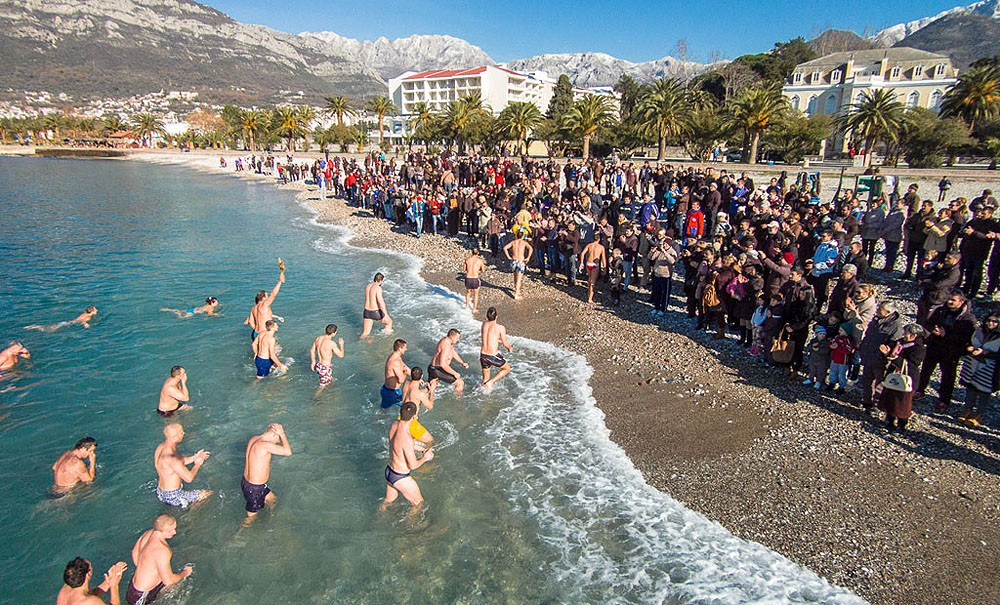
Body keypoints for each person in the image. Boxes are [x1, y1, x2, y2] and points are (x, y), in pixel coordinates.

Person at [915, 289, 978, 411]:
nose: (949, 302)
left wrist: (945, 334)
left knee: (948, 376)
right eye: (949, 299)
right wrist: (932, 331)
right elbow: (928, 323)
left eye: (953, 300)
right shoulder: (940, 310)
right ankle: (920, 390)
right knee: (926, 370)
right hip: (935, 345)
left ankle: (944, 399)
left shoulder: (968, 319)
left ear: (961, 302)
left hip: (951, 350)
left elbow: (967, 338)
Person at [126, 514, 193, 605]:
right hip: (141, 595)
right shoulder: (162, 550)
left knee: (174, 587)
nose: (174, 532)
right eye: (169, 531)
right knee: (179, 583)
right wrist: (185, 573)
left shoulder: (148, 533)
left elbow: (135, 552)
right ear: (159, 531)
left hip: (134, 587)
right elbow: (168, 581)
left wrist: (145, 569)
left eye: (174, 528)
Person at [381, 401, 434, 510]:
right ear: (414, 416)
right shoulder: (407, 439)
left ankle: (377, 518)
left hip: (389, 471)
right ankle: (410, 526)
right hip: (401, 477)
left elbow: (398, 444)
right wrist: (425, 458)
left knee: (387, 502)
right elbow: (413, 465)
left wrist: (421, 448)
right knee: (418, 504)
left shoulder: (394, 424)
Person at [242, 423, 292, 524]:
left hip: (246, 483)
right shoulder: (265, 446)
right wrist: (282, 434)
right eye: (278, 440)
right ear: (274, 434)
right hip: (255, 489)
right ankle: (237, 536)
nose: (277, 443)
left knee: (272, 499)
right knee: (250, 520)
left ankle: (273, 519)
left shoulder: (254, 439)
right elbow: (288, 452)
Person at [153, 423, 211, 509]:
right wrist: (198, 464)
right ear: (174, 437)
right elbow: (189, 478)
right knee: (207, 494)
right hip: (174, 496)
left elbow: (178, 462)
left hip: (160, 492)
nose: (184, 433)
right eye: (181, 432)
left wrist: (195, 457)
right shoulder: (173, 458)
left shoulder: (161, 447)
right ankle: (190, 514)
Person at [957, 313, 1000, 427]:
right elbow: (968, 342)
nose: (991, 323)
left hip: (989, 369)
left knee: (984, 392)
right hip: (972, 364)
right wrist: (969, 347)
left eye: (995, 321)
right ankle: (967, 409)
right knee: (970, 388)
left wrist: (984, 352)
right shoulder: (979, 331)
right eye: (989, 320)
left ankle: (979, 414)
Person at [57, 558, 127, 605]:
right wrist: (114, 586)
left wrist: (109, 581)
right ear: (88, 574)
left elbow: (91, 594)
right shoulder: (91, 602)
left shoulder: (65, 589)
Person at [244, 268, 285, 343]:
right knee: (267, 352)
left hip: (255, 333)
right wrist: (280, 282)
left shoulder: (254, 308)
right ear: (263, 298)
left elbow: (250, 321)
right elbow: (273, 295)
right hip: (264, 333)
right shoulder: (264, 304)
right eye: (267, 296)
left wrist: (258, 331)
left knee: (258, 352)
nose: (268, 297)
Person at [401, 367, 435, 446]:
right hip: (411, 423)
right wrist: (432, 391)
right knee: (430, 441)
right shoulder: (420, 394)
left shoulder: (406, 384)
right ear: (421, 376)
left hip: (401, 418)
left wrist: (427, 388)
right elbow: (430, 406)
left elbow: (415, 394)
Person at [480, 306, 513, 387]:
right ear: (497, 317)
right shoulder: (500, 328)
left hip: (483, 355)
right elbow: (505, 343)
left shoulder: (484, 325)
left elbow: (488, 337)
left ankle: (485, 394)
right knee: (507, 368)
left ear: (487, 316)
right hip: (492, 356)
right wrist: (510, 348)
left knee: (485, 380)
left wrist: (498, 341)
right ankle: (492, 381)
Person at [428, 328, 469, 393]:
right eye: (457, 338)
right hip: (437, 369)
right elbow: (443, 364)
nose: (458, 340)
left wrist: (462, 362)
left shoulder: (447, 341)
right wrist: (455, 373)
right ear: (452, 337)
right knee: (460, 383)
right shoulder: (446, 345)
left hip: (434, 368)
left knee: (431, 388)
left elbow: (453, 352)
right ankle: (457, 400)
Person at [309, 323, 345, 389]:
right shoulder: (331, 343)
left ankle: (329, 379)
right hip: (325, 368)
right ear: (334, 333)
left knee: (330, 380)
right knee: (323, 387)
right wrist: (341, 345)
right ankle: (315, 398)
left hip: (318, 365)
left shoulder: (318, 338)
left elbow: (312, 350)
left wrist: (313, 362)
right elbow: (341, 355)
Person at [361, 272, 393, 337]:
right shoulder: (378, 288)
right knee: (389, 322)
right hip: (374, 312)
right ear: (381, 280)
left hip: (366, 311)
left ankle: (360, 343)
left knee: (365, 333)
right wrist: (385, 315)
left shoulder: (368, 286)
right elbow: (380, 302)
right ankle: (385, 337)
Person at [503, 232, 533, 301]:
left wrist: (508, 257)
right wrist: (528, 257)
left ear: (516, 236)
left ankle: (516, 288)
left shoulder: (513, 242)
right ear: (522, 236)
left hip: (514, 260)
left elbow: (505, 248)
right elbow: (530, 248)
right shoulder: (524, 243)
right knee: (519, 278)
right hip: (520, 261)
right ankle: (516, 294)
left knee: (515, 275)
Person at [381, 339, 410, 408]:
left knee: (383, 411)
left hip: (385, 389)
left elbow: (405, 367)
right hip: (392, 393)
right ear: (400, 349)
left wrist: (417, 377)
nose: (406, 349)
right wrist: (405, 373)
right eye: (405, 348)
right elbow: (401, 380)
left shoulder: (395, 356)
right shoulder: (395, 362)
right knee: (407, 408)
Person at [579, 237, 607, 305]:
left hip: (588, 263)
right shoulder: (601, 247)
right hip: (595, 265)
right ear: (599, 239)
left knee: (589, 278)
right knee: (592, 281)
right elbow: (603, 258)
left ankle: (589, 293)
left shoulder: (589, 245)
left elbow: (582, 253)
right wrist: (605, 268)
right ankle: (590, 298)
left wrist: (581, 262)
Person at [25, 306, 98, 332]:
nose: (97, 310)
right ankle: (35, 326)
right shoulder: (88, 316)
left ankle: (34, 327)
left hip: (67, 322)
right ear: (92, 311)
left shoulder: (85, 314)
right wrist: (86, 324)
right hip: (68, 323)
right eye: (95, 309)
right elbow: (82, 320)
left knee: (52, 327)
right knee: (50, 329)